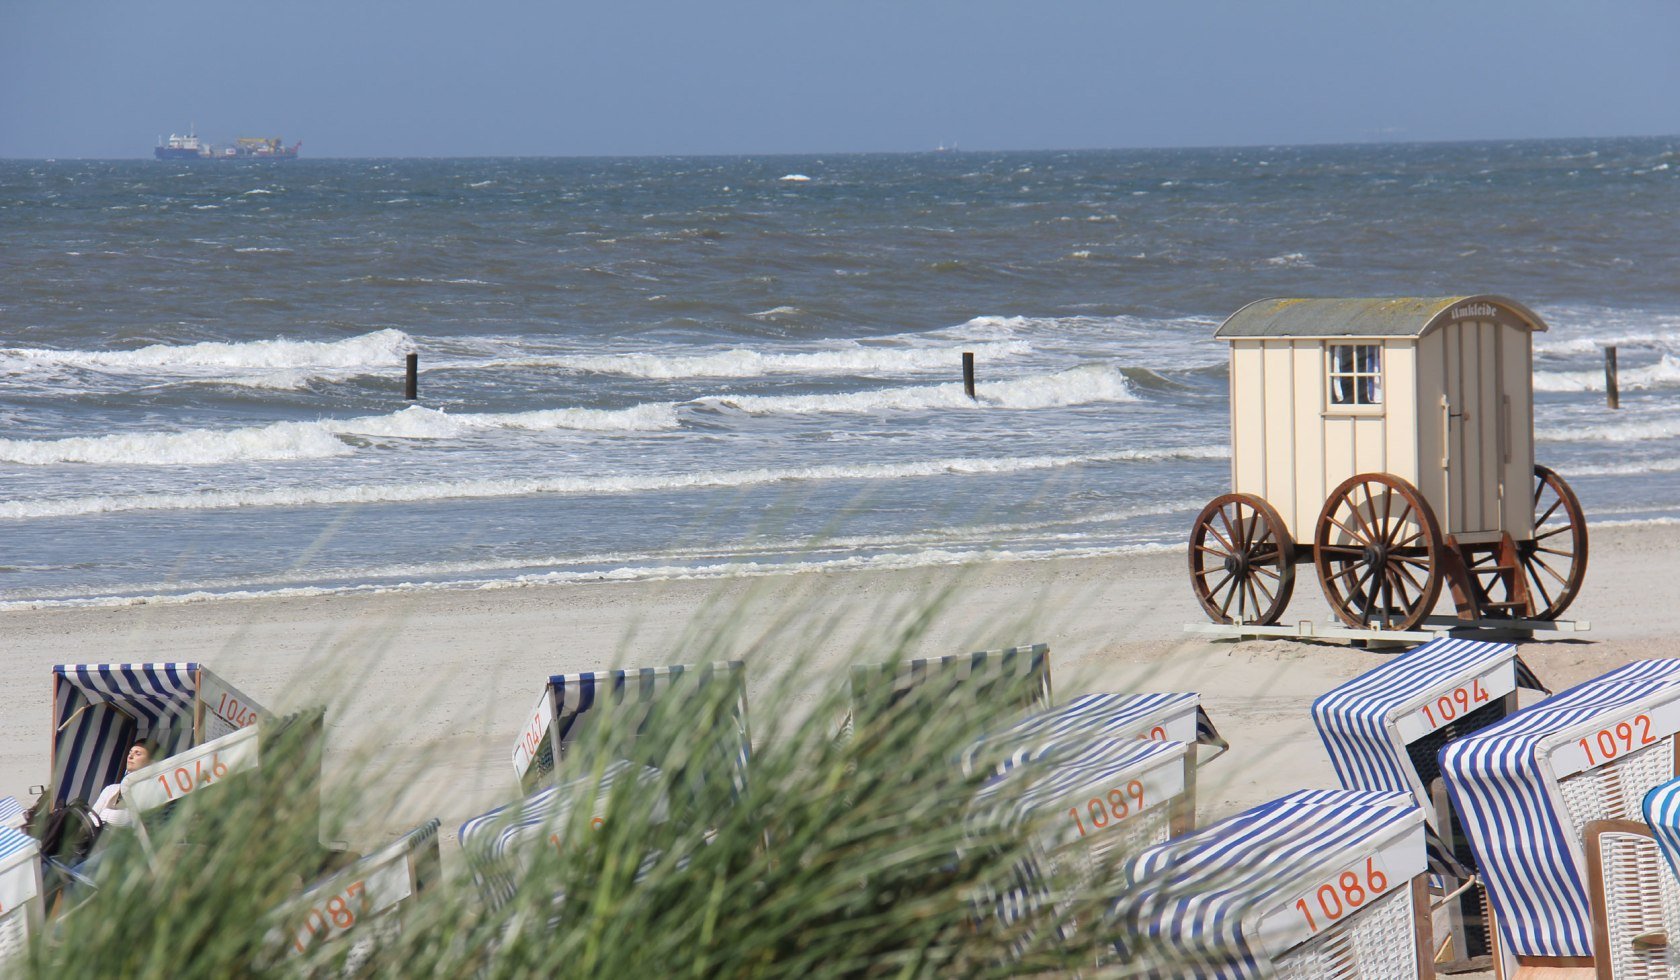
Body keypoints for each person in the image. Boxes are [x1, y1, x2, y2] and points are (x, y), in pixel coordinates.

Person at [91, 741, 154, 828]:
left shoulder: (150, 792)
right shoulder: (110, 789)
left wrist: (104, 813)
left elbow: (128, 820)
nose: (130, 756)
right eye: (130, 752)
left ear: (150, 763)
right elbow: (91, 818)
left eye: (138, 753)